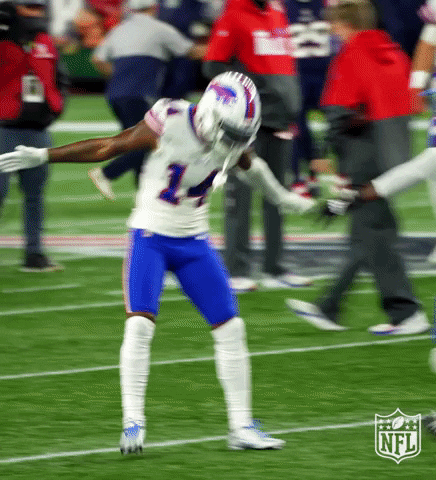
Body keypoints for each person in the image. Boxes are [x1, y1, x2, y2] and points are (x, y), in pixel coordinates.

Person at [0, 72, 315, 452]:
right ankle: (133, 421)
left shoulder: (231, 138)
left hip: (194, 242)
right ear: (210, 113)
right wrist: (44, 155)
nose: (233, 142)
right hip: (151, 237)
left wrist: (282, 198)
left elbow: (253, 167)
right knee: (139, 326)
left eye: (240, 135)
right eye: (230, 132)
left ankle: (241, 427)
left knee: (231, 328)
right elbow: (110, 146)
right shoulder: (171, 119)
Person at [286, 0, 430, 335]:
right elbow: (412, 103)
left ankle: (406, 313)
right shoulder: (395, 52)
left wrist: (327, 154)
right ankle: (329, 307)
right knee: (367, 232)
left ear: (346, 25)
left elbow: (338, 110)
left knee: (374, 233)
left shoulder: (351, 55)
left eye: (335, 27)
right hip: (395, 153)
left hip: (363, 154)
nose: (334, 34)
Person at [203, 0, 312, 292]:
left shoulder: (278, 13)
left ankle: (275, 266)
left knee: (278, 193)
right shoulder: (233, 14)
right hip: (248, 121)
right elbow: (213, 64)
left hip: (280, 117)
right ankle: (236, 268)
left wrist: (290, 102)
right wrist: (253, 92)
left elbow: (284, 66)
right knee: (240, 197)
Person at [89, 0, 207, 200]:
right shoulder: (159, 28)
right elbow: (191, 51)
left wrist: (119, 77)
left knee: (137, 143)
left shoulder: (119, 30)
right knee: (148, 142)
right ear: (154, 7)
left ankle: (144, 195)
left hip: (116, 95)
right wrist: (223, 47)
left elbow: (97, 59)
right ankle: (107, 173)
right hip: (139, 94)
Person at [0, 0, 67, 272]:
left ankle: (34, 254)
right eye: (29, 7)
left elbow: (59, 78)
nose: (36, 13)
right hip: (3, 127)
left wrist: (55, 107)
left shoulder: (45, 40)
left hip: (37, 130)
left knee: (35, 196)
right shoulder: (3, 39)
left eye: (39, 7)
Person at [285, 0, 335, 198]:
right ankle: (299, 178)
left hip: (326, 76)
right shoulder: (283, 6)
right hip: (296, 77)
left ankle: (338, 173)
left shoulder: (328, 4)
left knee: (338, 124)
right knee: (297, 129)